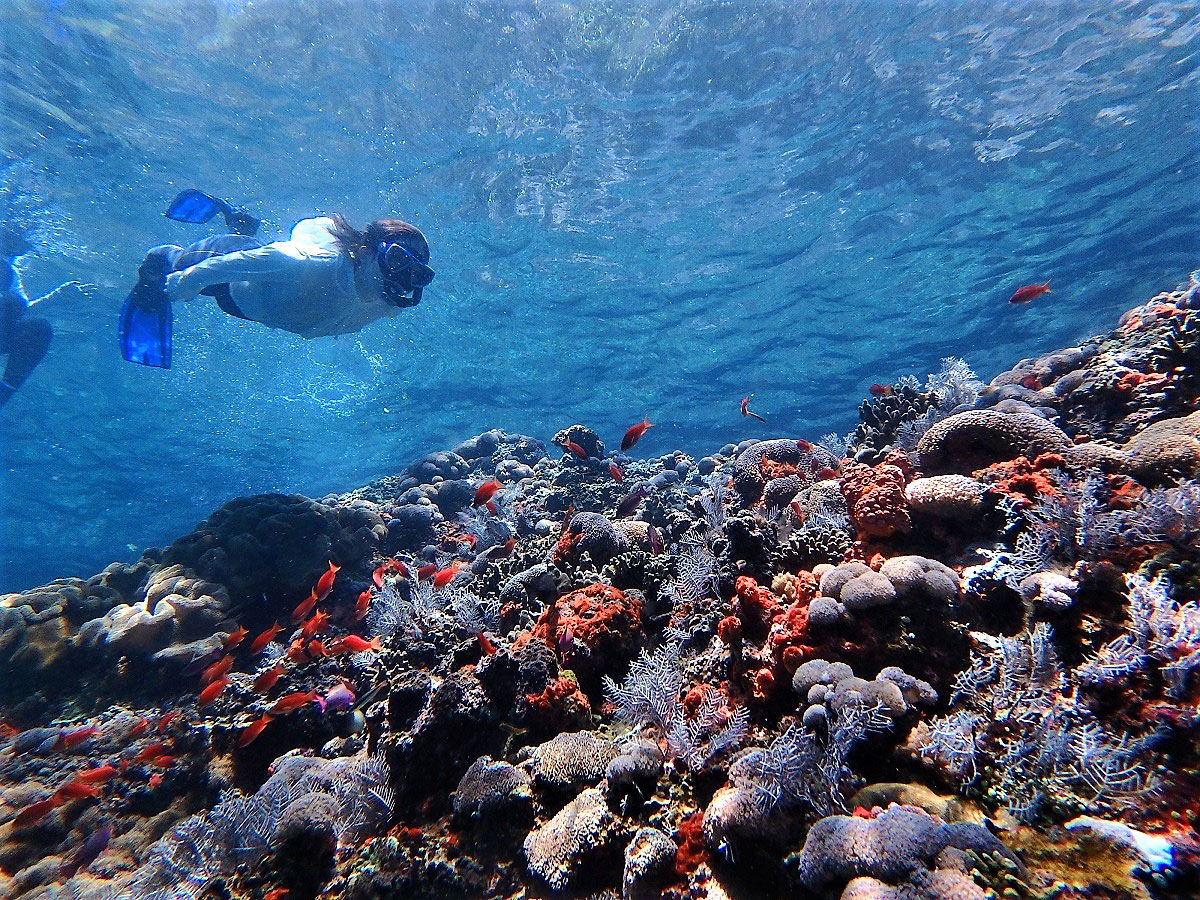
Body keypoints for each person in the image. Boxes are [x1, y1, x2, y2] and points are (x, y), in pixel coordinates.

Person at [119, 190, 434, 368]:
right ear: (365, 251)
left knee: (256, 259)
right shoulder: (309, 264)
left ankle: (241, 222)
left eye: (416, 274)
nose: (401, 280)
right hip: (231, 280)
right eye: (396, 261)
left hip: (256, 302)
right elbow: (233, 266)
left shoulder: (391, 302)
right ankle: (160, 256)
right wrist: (185, 282)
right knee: (176, 261)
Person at [0, 227, 87, 408]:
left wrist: (57, 296)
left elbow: (22, 312)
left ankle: (4, 391)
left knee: (38, 328)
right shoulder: (5, 271)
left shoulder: (9, 273)